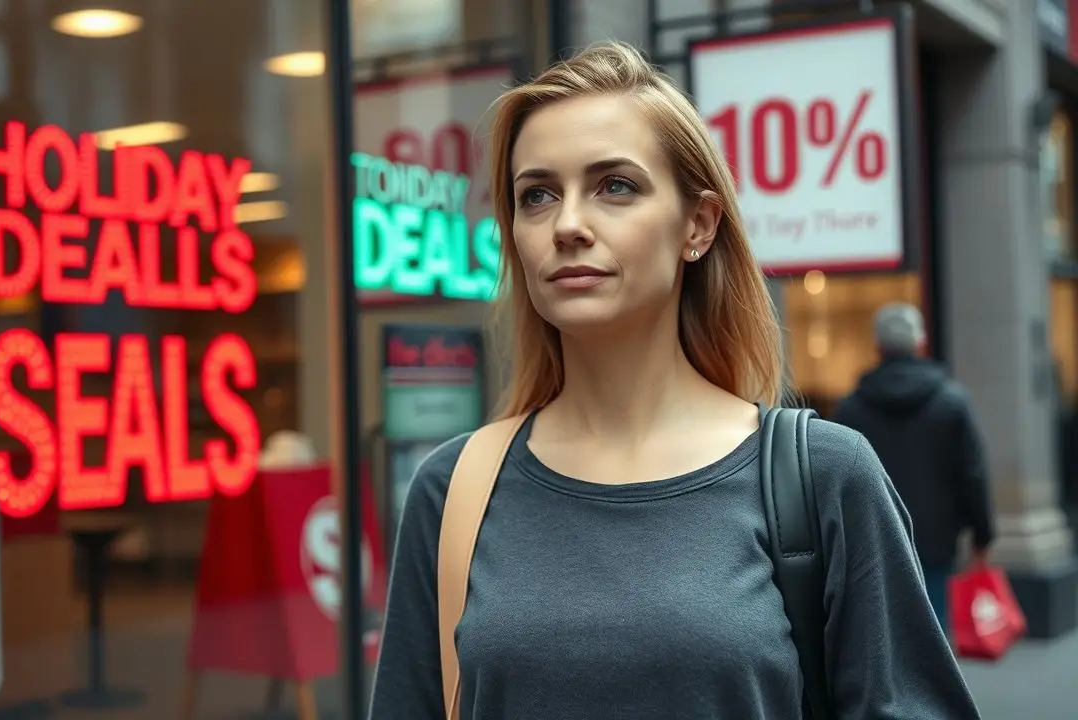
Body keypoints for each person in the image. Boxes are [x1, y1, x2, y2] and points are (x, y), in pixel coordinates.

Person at [369, 41, 979, 719]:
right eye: (536, 195)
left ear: (698, 225)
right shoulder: (455, 490)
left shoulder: (825, 478)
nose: (567, 225)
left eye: (615, 186)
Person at [833, 302, 995, 630]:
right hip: (936, 542)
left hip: (872, 542)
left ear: (877, 347)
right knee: (932, 637)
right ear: (921, 344)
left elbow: (835, 482)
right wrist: (982, 536)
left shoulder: (850, 410)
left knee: (881, 639)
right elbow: (972, 473)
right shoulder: (951, 402)